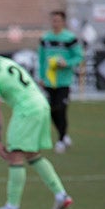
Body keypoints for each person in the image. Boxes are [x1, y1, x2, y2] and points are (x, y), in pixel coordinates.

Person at [0, 38, 73, 209]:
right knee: (32, 155)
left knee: (15, 155)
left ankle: (12, 207)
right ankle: (61, 195)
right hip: (40, 104)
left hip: (27, 109)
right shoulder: (1, 61)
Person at [37, 10, 83, 153]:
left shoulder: (70, 38)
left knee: (61, 109)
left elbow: (79, 57)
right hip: (50, 81)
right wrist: (41, 77)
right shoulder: (45, 38)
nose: (55, 23)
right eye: (53, 20)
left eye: (57, 20)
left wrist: (66, 63)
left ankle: (61, 140)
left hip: (64, 81)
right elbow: (42, 59)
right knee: (51, 111)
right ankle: (64, 134)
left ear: (63, 22)